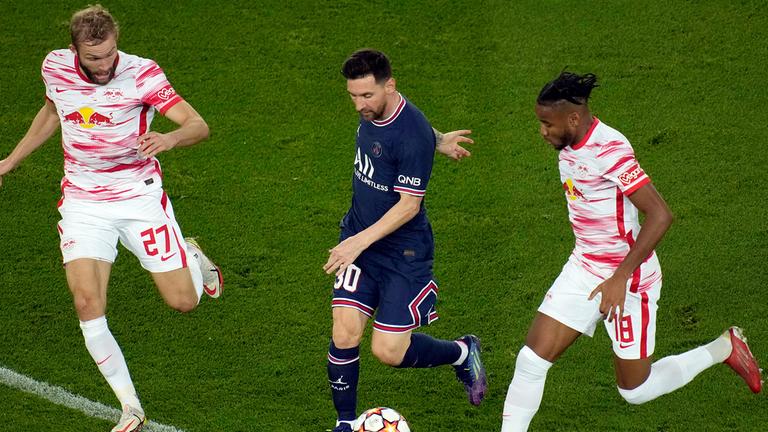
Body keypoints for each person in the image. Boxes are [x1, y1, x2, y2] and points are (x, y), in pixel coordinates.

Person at [0, 5, 222, 432]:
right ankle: (130, 407)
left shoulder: (142, 74)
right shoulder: (55, 67)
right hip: (83, 202)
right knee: (86, 301)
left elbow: (198, 124)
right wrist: (10, 161)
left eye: (109, 55)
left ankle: (191, 255)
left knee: (184, 302)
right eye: (93, 58)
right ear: (74, 50)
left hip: (139, 199)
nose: (103, 66)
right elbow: (52, 112)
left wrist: (171, 137)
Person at [500, 71, 762, 431]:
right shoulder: (568, 143)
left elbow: (660, 215)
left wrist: (620, 277)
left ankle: (724, 349)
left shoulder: (610, 150)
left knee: (636, 391)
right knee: (531, 361)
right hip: (584, 266)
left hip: (630, 280)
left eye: (547, 124)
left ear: (573, 118)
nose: (542, 131)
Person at [323, 49, 487, 432]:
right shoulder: (381, 117)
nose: (359, 105)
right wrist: (439, 138)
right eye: (353, 96)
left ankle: (463, 353)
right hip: (361, 237)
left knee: (388, 351)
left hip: (402, 253)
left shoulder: (410, 131)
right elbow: (408, 134)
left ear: (390, 85)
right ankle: (345, 423)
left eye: (367, 96)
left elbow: (409, 206)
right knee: (344, 330)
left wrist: (355, 244)